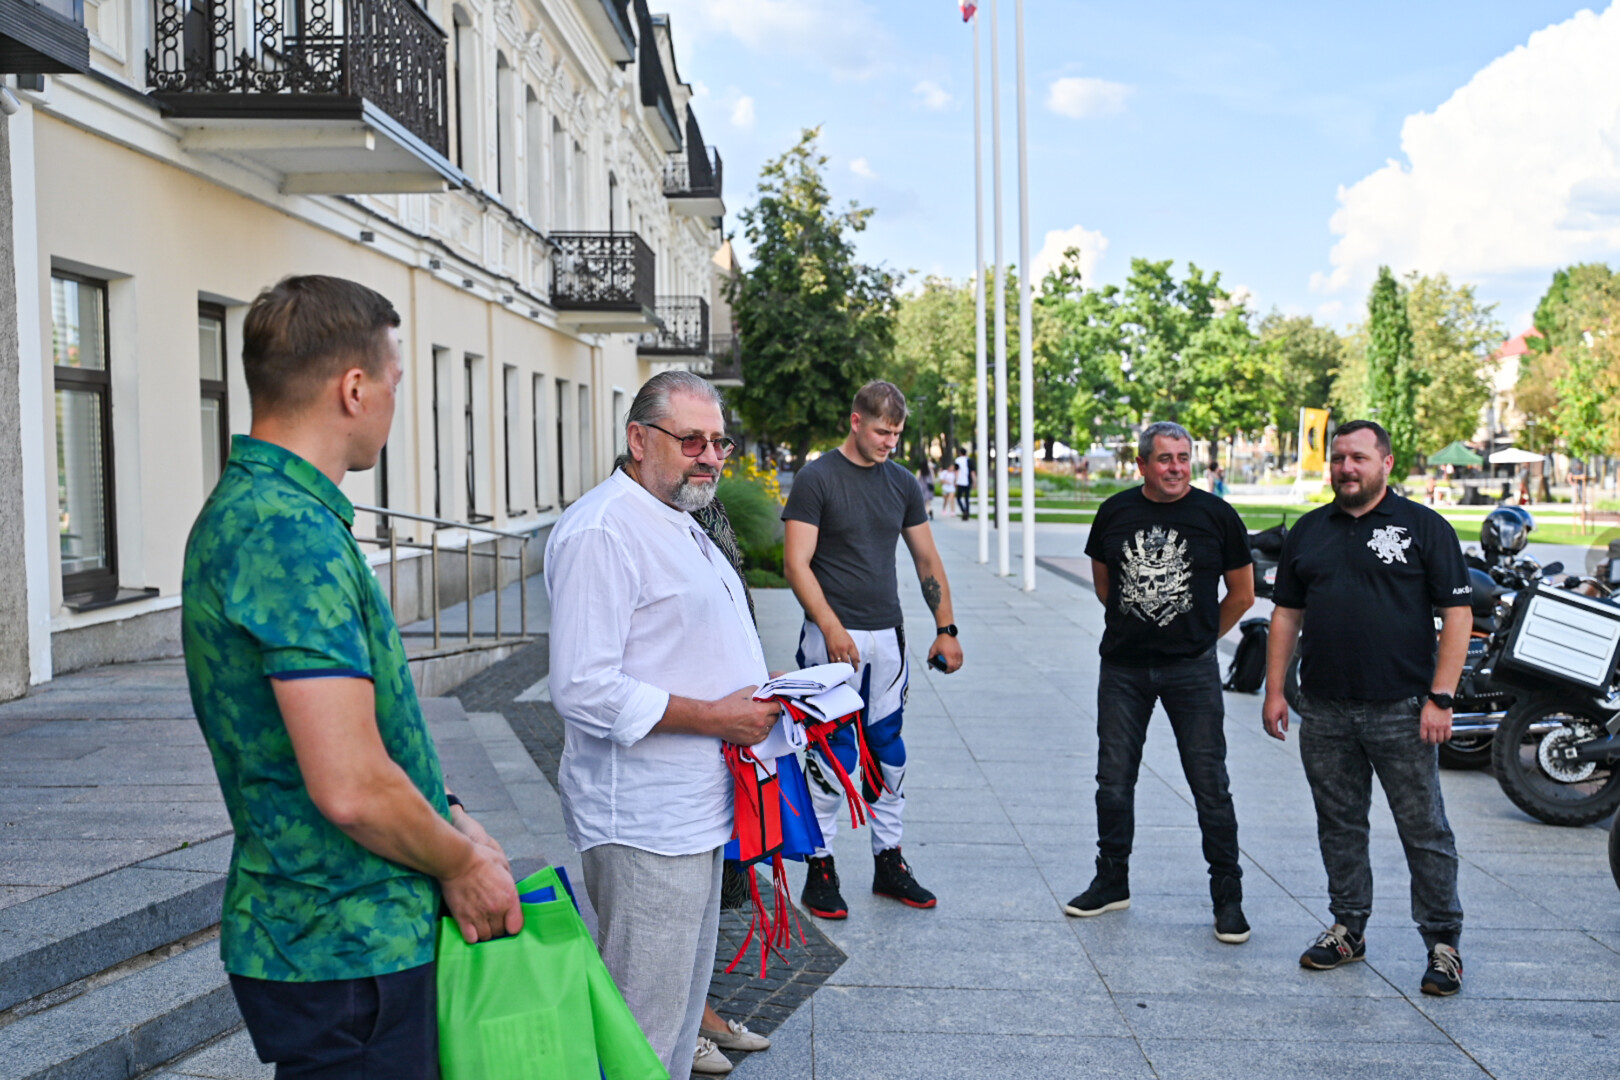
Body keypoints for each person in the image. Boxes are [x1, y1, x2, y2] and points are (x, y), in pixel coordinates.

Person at [181, 275, 520, 1078]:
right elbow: (351, 786)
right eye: (396, 381)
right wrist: (462, 864)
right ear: (354, 388)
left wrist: (449, 812)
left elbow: (363, 742)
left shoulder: (278, 512)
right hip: (343, 945)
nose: (395, 403)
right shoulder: (286, 532)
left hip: (343, 941)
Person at [547, 370, 781, 1080]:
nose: (710, 457)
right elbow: (584, 687)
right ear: (639, 439)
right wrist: (718, 716)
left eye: (719, 442)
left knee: (677, 1024)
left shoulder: (677, 518)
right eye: (692, 441)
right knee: (642, 1033)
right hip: (643, 821)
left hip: (696, 809)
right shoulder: (603, 529)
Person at [1263, 419, 1470, 997]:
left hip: (1403, 709)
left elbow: (1457, 615)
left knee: (1424, 829)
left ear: (1386, 463)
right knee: (1339, 824)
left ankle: (1443, 944)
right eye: (1338, 458)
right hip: (1324, 710)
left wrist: (1441, 697)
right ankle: (1348, 929)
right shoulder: (1310, 530)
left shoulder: (1424, 528)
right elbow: (1286, 614)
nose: (1346, 468)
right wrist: (1275, 690)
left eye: (1358, 457)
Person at [1063, 421, 1255, 944]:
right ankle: (1112, 880)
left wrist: (1199, 638)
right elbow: (1105, 585)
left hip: (1191, 669)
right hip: (1123, 669)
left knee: (1209, 783)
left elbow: (1242, 594)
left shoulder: (1217, 515)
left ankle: (1227, 894)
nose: (1176, 468)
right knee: (1113, 780)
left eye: (1183, 458)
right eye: (1165, 458)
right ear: (1142, 463)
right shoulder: (1115, 512)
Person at [783, 381, 965, 919]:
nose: (890, 442)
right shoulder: (817, 478)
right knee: (832, 750)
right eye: (883, 431)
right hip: (829, 638)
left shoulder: (902, 482)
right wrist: (831, 625)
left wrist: (947, 628)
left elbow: (927, 560)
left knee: (888, 749)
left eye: (897, 434)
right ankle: (820, 865)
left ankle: (889, 860)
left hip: (887, 638)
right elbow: (796, 563)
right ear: (856, 421)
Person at [954, 446, 974, 518]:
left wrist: (955, 481)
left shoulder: (957, 460)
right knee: (967, 498)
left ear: (960, 453)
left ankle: (964, 510)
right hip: (968, 481)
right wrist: (974, 481)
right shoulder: (969, 460)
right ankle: (967, 512)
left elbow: (956, 471)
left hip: (960, 481)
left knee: (958, 498)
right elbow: (972, 472)